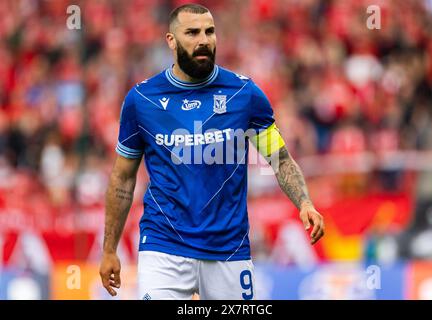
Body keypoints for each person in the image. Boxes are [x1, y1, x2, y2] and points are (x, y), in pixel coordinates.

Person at [99, 3, 324, 300]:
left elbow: (279, 159)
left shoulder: (245, 95)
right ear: (171, 40)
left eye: (209, 32)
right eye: (192, 33)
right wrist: (109, 249)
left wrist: (304, 202)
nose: (203, 40)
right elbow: (123, 178)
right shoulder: (141, 100)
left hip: (228, 249)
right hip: (163, 246)